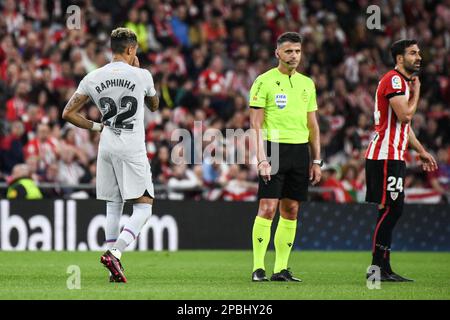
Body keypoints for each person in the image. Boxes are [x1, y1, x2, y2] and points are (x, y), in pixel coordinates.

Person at [62, 28, 159, 283]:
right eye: (135, 49)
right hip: (131, 147)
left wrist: (97, 126)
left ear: (111, 49)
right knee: (144, 206)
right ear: (130, 49)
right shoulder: (142, 75)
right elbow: (154, 105)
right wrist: (139, 70)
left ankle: (112, 270)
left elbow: (68, 113)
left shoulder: (93, 77)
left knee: (113, 205)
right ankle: (115, 253)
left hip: (106, 146)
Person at [248, 32, 322, 282]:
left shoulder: (307, 84)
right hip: (273, 149)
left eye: (298, 51)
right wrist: (261, 159)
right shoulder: (263, 81)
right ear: (277, 53)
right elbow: (255, 124)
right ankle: (258, 268)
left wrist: (316, 160)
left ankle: (281, 269)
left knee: (290, 210)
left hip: (300, 151)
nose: (294, 56)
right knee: (267, 208)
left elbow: (313, 125)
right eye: (289, 51)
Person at [365, 39, 438, 282]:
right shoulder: (395, 80)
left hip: (393, 155)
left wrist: (421, 150)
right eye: (413, 53)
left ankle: (382, 267)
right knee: (393, 209)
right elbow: (405, 116)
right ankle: (377, 268)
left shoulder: (401, 82)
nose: (418, 57)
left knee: (389, 209)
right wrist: (417, 93)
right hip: (385, 155)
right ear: (399, 58)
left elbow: (403, 127)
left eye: (419, 53)